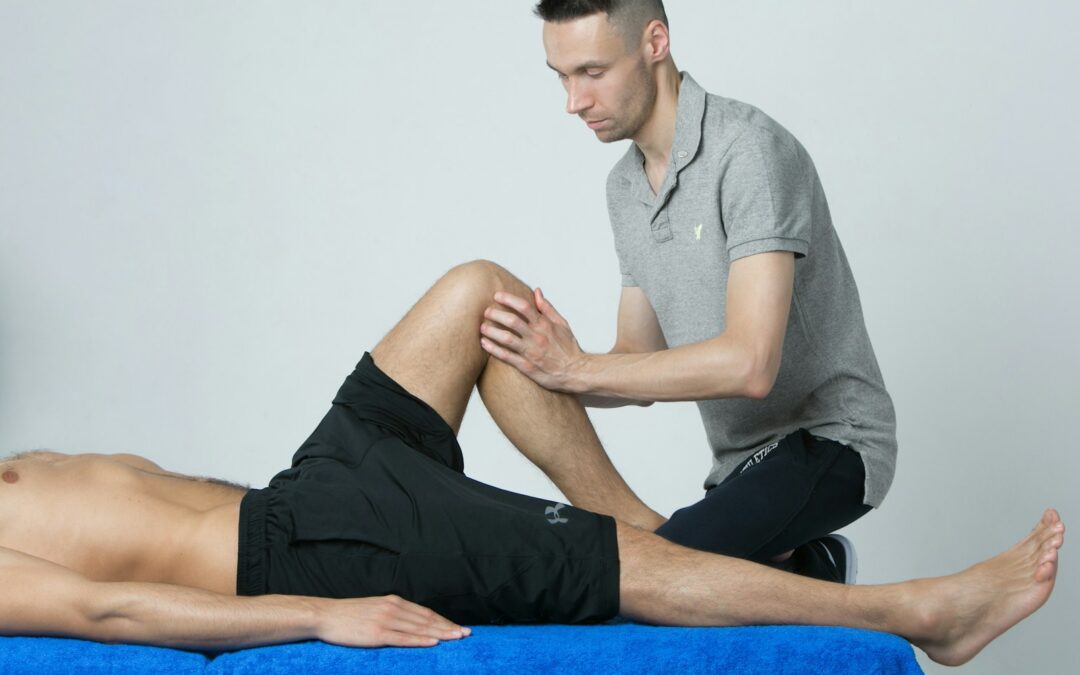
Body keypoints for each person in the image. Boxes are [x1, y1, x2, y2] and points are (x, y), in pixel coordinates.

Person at [0, 261, 1064, 667]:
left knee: (480, 299)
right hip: (316, 552)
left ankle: (647, 531)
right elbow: (108, 613)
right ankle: (927, 616)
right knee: (612, 575)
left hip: (306, 492)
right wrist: (319, 615)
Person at [481, 0, 896, 581]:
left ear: (655, 43)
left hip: (832, 442)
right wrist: (543, 362)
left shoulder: (747, 150)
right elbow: (636, 363)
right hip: (739, 467)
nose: (573, 102)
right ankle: (807, 566)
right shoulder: (623, 187)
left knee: (647, 577)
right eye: (562, 77)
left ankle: (821, 571)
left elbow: (752, 365)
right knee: (653, 574)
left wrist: (577, 369)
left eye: (592, 73)